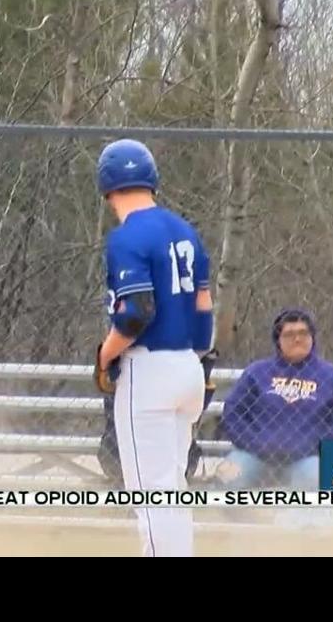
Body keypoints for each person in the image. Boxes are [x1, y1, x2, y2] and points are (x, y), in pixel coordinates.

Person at [91, 138, 214, 558]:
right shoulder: (186, 231)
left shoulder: (126, 237)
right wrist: (191, 358)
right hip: (188, 368)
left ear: (107, 188)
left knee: (152, 495)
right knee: (171, 489)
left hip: (148, 373)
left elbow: (136, 313)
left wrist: (105, 355)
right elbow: (203, 308)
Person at [213, 308, 333, 491]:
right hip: (255, 454)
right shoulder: (257, 373)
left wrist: (313, 446)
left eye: (303, 333)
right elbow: (233, 413)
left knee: (316, 477)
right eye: (289, 334)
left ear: (312, 337)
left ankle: (298, 520)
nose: (297, 339)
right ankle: (239, 519)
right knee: (229, 476)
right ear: (278, 340)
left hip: (310, 458)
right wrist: (256, 443)